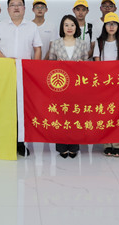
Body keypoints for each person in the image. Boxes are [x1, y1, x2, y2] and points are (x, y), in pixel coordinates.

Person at [0, 0, 42, 157]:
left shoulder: (31, 27)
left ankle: (21, 142)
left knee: (22, 108)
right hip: (6, 73)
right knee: (6, 107)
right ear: (8, 9)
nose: (16, 7)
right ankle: (6, 141)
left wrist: (34, 68)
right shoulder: (1, 26)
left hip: (25, 73)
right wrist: (6, 61)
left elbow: (37, 48)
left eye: (19, 5)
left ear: (24, 8)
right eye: (13, 5)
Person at [48, 14, 91, 158]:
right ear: (62, 27)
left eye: (72, 25)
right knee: (60, 117)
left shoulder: (82, 44)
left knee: (75, 116)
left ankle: (73, 146)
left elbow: (87, 65)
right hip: (60, 86)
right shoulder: (55, 44)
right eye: (66, 25)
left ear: (76, 27)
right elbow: (49, 65)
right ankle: (61, 146)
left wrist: (81, 64)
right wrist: (57, 64)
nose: (69, 28)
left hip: (77, 87)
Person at [93, 12, 119, 157]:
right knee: (105, 114)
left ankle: (118, 145)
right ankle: (107, 144)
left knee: (118, 114)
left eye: (114, 24)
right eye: (108, 24)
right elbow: (97, 62)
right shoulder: (99, 42)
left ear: (118, 26)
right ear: (104, 26)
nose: (111, 26)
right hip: (104, 84)